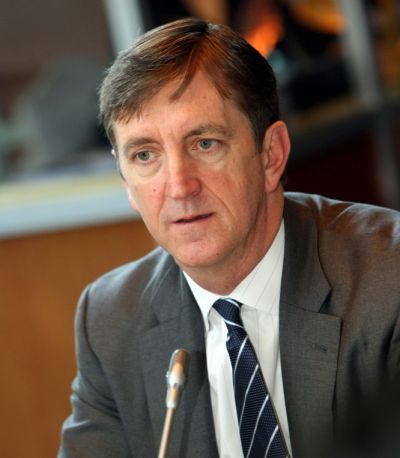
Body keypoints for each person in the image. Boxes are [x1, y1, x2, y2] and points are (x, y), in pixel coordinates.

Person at [58, 17, 400, 458]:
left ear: (271, 155)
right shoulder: (111, 319)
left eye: (205, 144)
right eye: (144, 155)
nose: (179, 186)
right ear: (126, 183)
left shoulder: (388, 280)